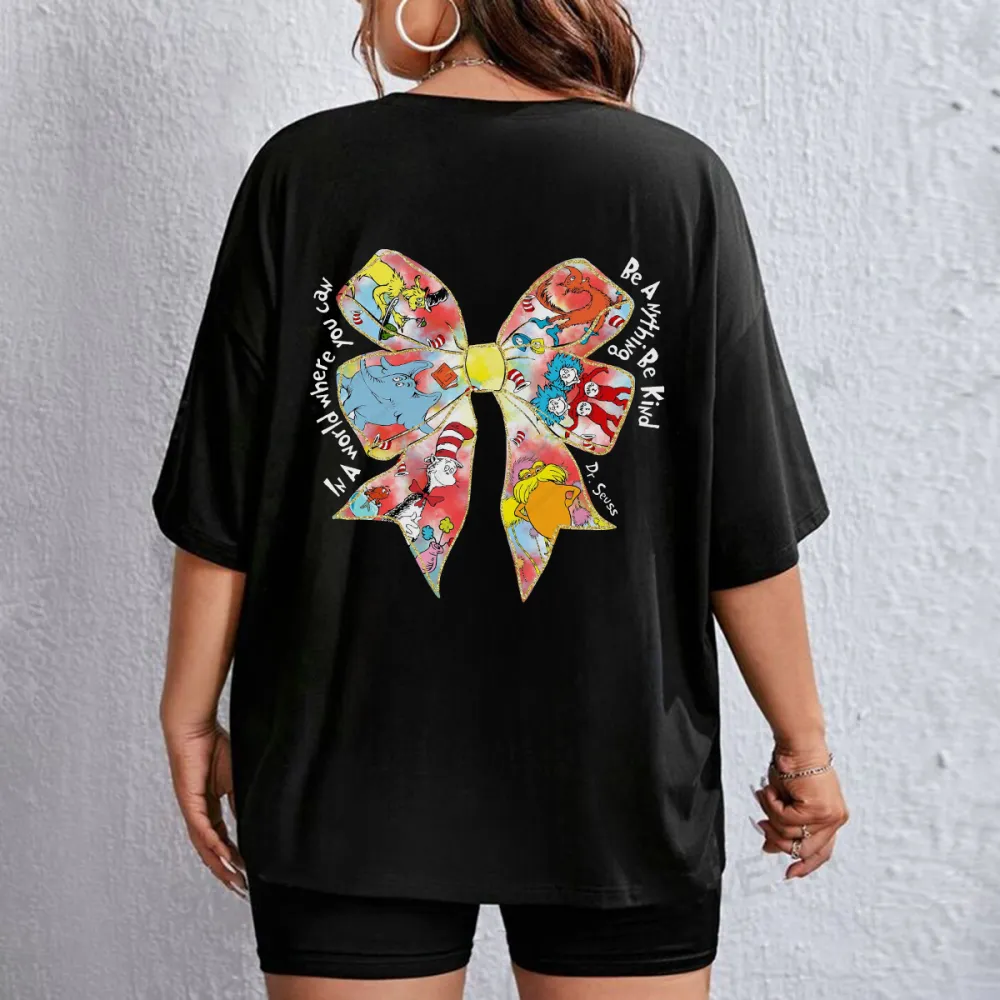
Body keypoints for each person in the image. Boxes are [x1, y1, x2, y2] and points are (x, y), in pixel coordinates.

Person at [152, 1, 850, 997]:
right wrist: (804, 748)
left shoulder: (303, 170)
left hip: (345, 764)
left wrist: (188, 714)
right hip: (618, 769)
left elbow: (223, 499)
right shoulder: (674, 179)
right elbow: (744, 517)